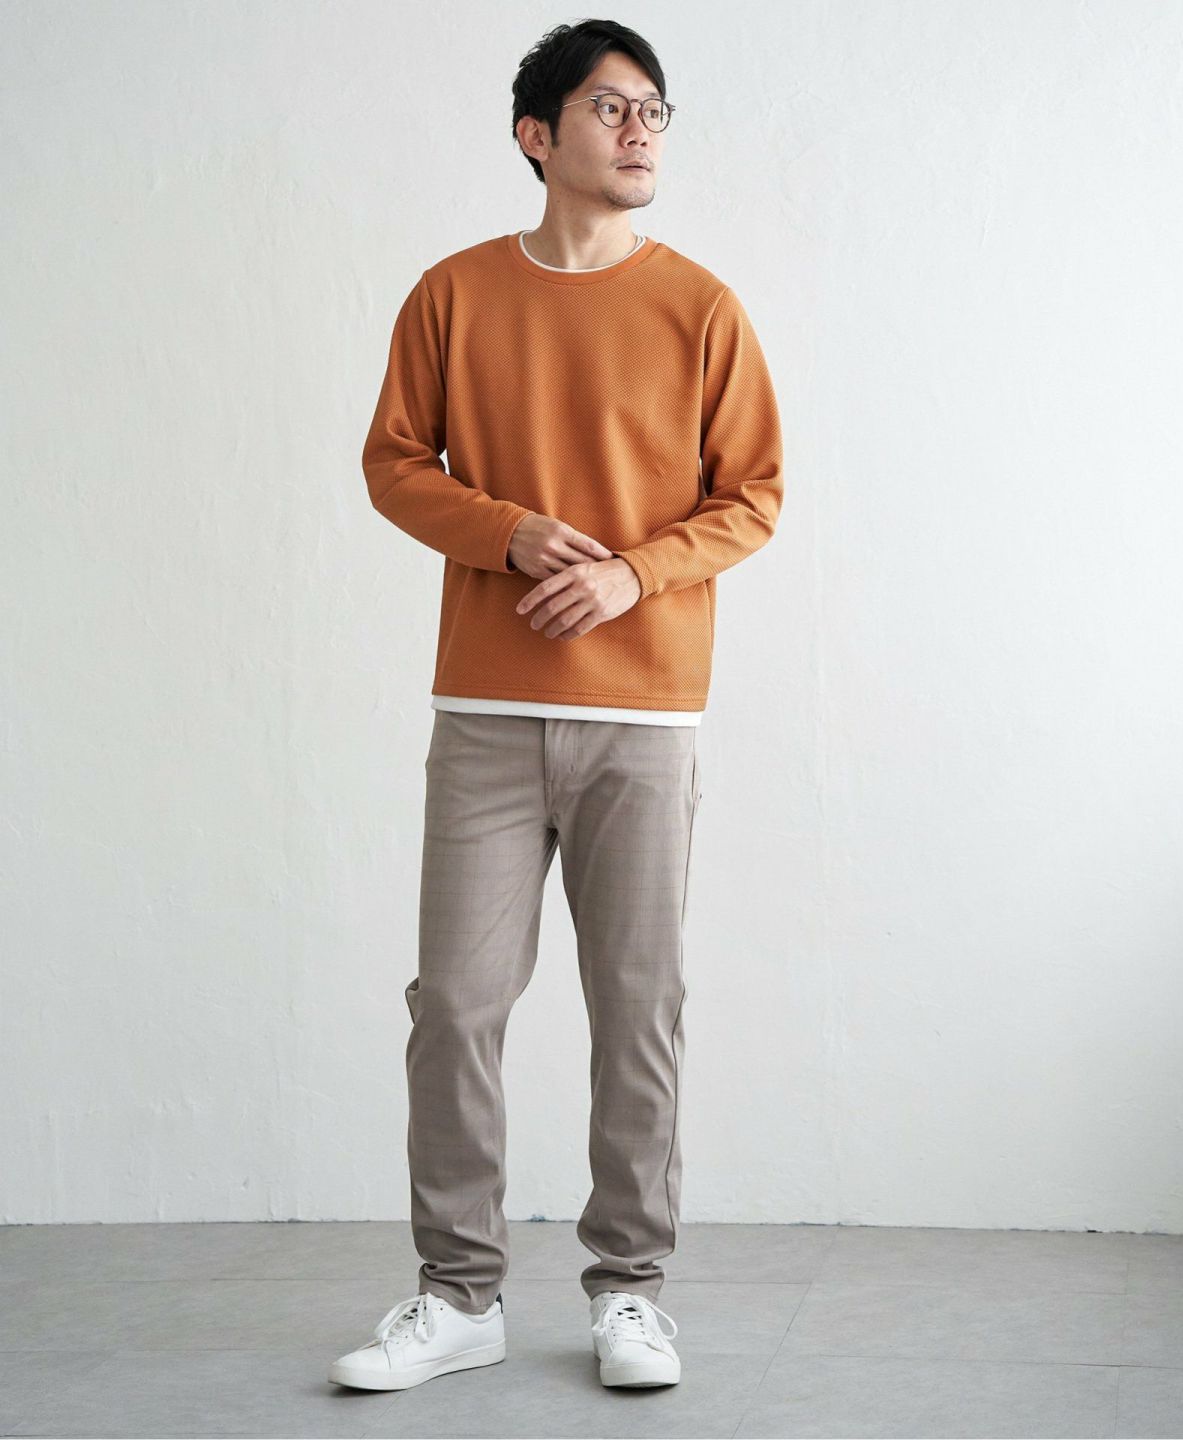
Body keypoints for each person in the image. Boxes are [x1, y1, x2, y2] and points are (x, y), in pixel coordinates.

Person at [328, 17, 784, 1395]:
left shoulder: (701, 307)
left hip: (646, 716)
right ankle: (457, 1296)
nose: (639, 130)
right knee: (454, 1005)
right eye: (608, 107)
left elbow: (753, 495)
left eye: (654, 110)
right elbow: (394, 464)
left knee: (638, 1006)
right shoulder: (453, 294)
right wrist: (512, 532)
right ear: (538, 134)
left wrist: (632, 575)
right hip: (485, 709)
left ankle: (629, 1292)